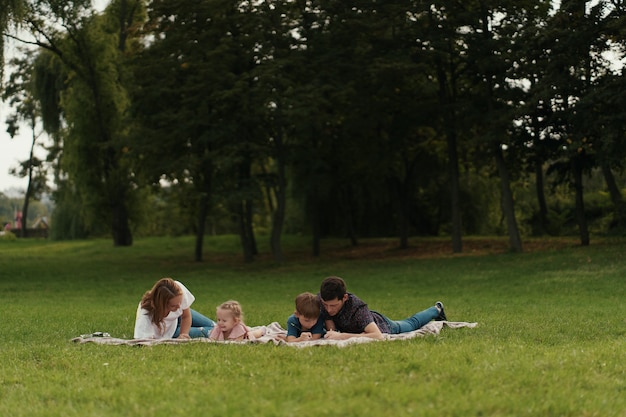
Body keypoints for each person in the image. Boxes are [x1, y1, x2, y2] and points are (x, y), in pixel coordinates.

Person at [319, 276, 447, 341]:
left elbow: (377, 336)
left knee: (411, 323)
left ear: (345, 297)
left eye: (333, 306)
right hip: (359, 328)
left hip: (384, 326)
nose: (329, 309)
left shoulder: (358, 309)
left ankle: (436, 309)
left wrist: (342, 336)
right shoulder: (322, 300)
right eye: (326, 305)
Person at [134, 278, 215, 339]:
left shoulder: (178, 289)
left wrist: (184, 334)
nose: (179, 306)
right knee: (214, 332)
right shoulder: (145, 314)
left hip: (180, 319)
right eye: (174, 305)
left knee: (218, 326)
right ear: (162, 305)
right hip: (170, 331)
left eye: (180, 302)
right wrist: (179, 337)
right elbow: (143, 341)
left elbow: (186, 316)